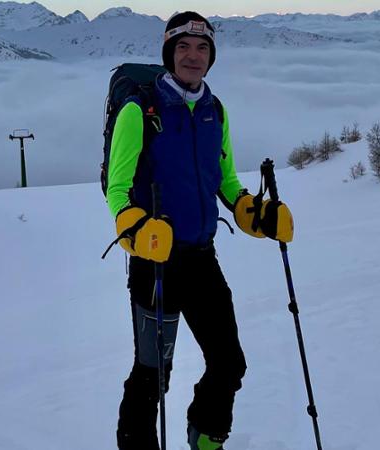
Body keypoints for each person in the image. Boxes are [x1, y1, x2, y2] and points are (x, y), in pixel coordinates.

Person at [105, 11, 294, 450]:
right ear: (169, 53)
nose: (193, 56)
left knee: (229, 363)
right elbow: (118, 187)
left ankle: (206, 440)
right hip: (154, 262)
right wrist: (133, 224)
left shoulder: (215, 110)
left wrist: (253, 211)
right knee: (152, 375)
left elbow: (224, 181)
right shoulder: (141, 110)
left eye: (203, 47)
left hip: (201, 258)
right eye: (184, 47)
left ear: (212, 56)